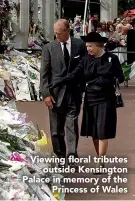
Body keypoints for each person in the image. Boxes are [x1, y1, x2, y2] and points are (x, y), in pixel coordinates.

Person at [49, 32, 124, 170]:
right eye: (87, 46)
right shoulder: (85, 59)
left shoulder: (112, 59)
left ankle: (100, 161)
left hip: (106, 98)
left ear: (98, 46)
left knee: (102, 131)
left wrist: (105, 80)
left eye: (90, 46)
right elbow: (75, 74)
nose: (88, 49)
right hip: (91, 98)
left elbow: (120, 77)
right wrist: (60, 82)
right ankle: (99, 158)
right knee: (95, 132)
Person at [40, 19, 87, 168]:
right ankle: (60, 157)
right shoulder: (49, 48)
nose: (56, 35)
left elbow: (84, 67)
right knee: (56, 130)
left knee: (72, 125)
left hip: (74, 93)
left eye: (59, 33)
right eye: (55, 33)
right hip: (54, 94)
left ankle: (72, 156)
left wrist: (83, 88)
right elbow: (44, 73)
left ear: (67, 31)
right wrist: (46, 93)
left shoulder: (79, 45)